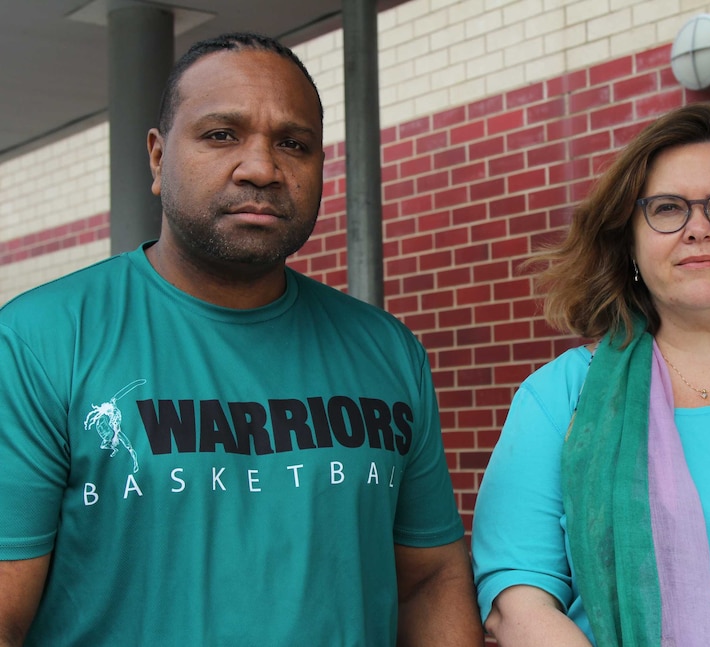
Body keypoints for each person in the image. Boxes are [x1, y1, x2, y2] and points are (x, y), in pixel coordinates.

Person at [0, 32, 483, 647]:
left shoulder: (387, 351)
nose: (261, 168)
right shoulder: (40, 340)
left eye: (293, 143)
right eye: (221, 134)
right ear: (156, 158)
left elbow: (429, 580)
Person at [472, 104, 710, 646]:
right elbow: (516, 599)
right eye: (667, 208)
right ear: (630, 237)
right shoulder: (560, 398)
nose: (697, 229)